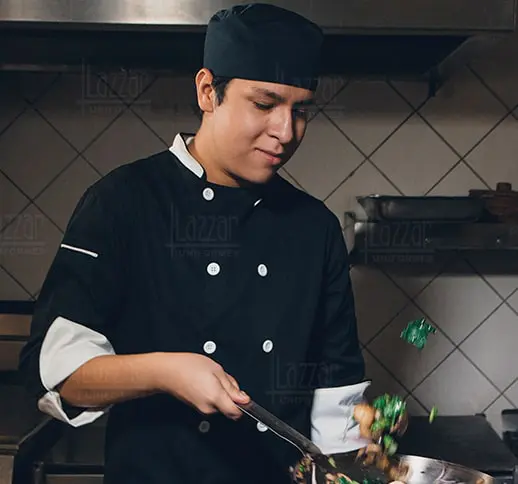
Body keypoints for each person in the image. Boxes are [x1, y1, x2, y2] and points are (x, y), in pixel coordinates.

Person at [19, 3, 370, 483]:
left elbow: (338, 394)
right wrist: (165, 371)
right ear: (208, 91)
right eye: (265, 105)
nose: (286, 132)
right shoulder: (123, 202)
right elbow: (57, 368)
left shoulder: (315, 227)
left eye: (301, 110)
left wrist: (347, 466)